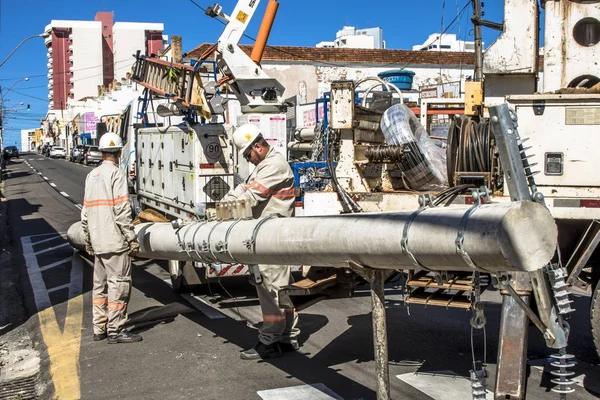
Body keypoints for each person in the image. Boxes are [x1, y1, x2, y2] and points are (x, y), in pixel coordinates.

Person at [222, 124, 299, 360]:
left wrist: (222, 211)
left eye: (248, 155)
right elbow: (244, 188)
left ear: (258, 146)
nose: (249, 160)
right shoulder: (265, 165)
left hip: (271, 238)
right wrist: (227, 199)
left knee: (270, 290)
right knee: (281, 288)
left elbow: (251, 196)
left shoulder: (273, 165)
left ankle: (269, 341)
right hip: (270, 236)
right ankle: (288, 336)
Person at [81, 132, 142, 344]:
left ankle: (99, 328)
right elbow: (122, 210)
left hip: (98, 241)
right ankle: (116, 329)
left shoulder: (92, 175)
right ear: (118, 152)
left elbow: (85, 211)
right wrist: (131, 237)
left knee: (99, 286)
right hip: (115, 241)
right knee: (119, 284)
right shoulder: (116, 174)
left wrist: (88, 237)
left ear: (101, 151)